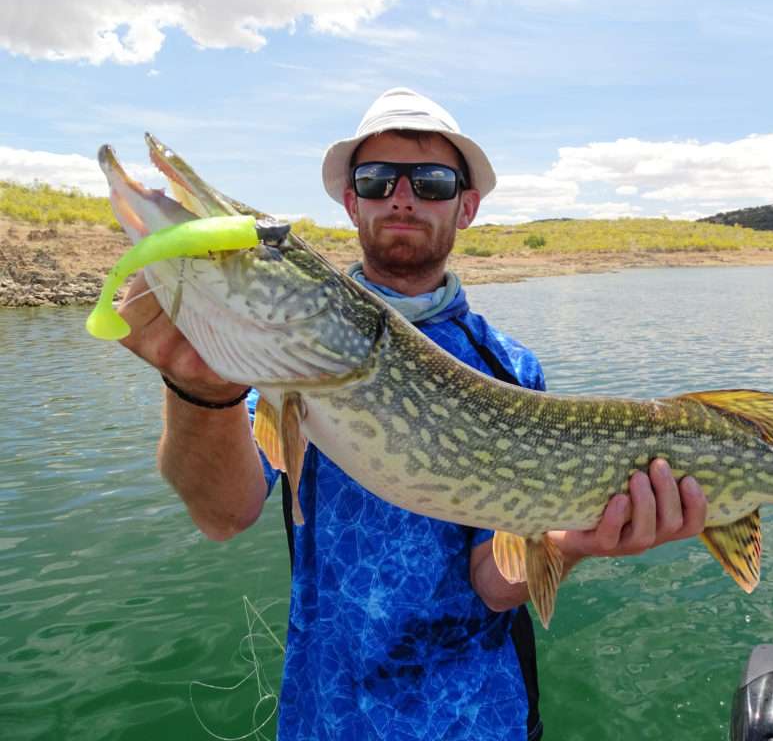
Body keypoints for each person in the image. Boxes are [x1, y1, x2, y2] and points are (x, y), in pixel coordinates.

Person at [117, 88, 708, 741]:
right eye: (376, 180)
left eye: (430, 182)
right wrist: (199, 388)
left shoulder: (509, 368)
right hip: (327, 720)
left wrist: (574, 544)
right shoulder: (285, 363)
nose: (402, 196)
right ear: (352, 202)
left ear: (467, 206)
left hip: (477, 722)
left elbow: (493, 579)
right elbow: (222, 513)